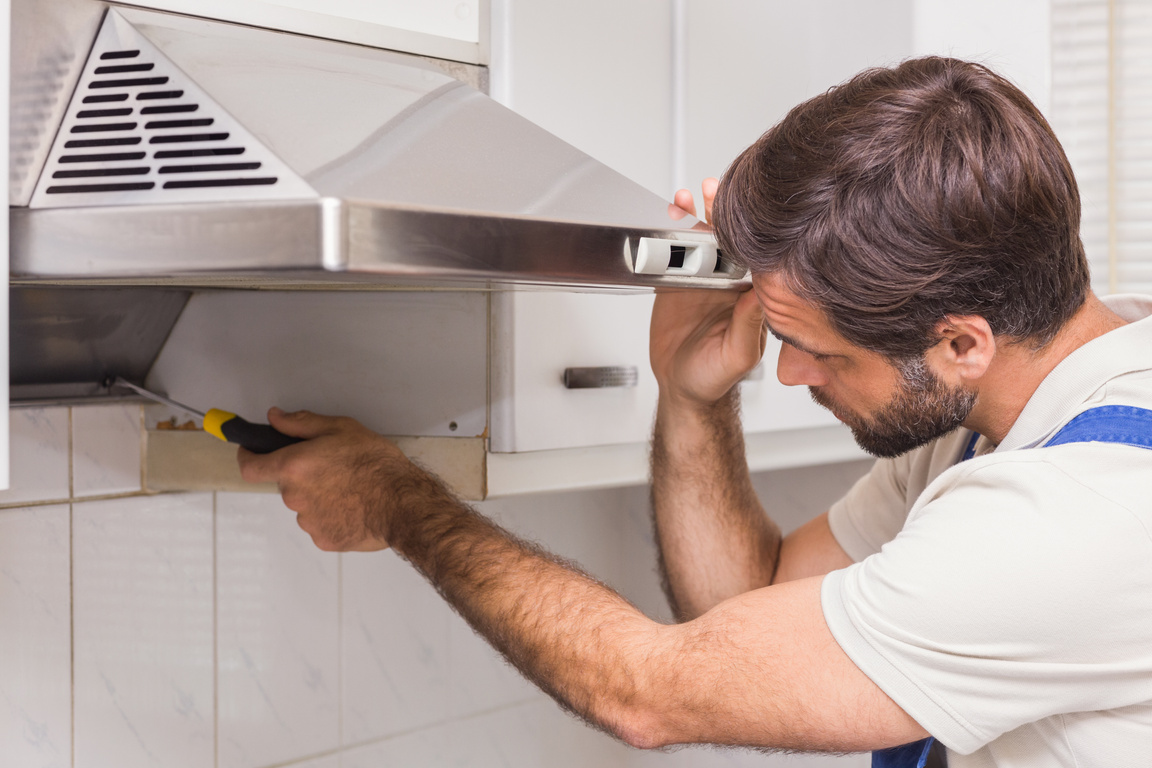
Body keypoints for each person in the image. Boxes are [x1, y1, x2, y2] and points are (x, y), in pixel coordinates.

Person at [238, 56, 1152, 767]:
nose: (788, 374)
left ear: (961, 344)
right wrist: (690, 391)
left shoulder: (1078, 512)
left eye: (821, 349)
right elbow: (749, 604)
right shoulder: (1014, 408)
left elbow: (647, 692)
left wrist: (401, 502)